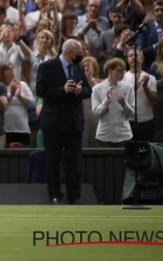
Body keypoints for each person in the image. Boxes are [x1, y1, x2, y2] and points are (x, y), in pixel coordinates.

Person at [36, 38, 92, 205]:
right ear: (69, 52)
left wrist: (80, 91)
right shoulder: (47, 67)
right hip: (53, 123)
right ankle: (54, 195)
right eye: (78, 53)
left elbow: (88, 90)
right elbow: (40, 90)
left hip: (74, 122)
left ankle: (74, 196)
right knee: (52, 161)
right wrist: (62, 90)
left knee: (73, 162)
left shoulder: (79, 68)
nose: (81, 56)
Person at [91, 58, 135, 148]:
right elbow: (96, 113)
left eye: (124, 70)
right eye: (119, 70)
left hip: (124, 135)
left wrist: (124, 104)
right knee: (105, 162)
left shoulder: (128, 88)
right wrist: (107, 101)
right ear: (110, 71)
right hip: (104, 136)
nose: (123, 73)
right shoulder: (97, 89)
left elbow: (132, 114)